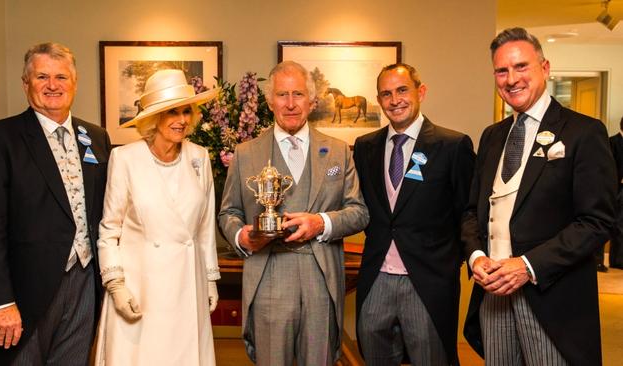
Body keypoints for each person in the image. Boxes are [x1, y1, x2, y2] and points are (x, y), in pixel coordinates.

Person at [461, 27, 616, 366]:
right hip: (493, 296)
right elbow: (472, 210)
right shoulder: (492, 136)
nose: (511, 78)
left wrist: (527, 266)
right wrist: (475, 257)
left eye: (521, 67)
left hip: (550, 298)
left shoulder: (583, 132)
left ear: (544, 69)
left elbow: (596, 222)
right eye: (502, 71)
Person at [218, 61, 368, 366]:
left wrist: (320, 223)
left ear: (312, 101)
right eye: (282, 94)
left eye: (298, 94)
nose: (289, 104)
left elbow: (359, 212)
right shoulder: (245, 154)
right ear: (270, 100)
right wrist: (241, 235)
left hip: (321, 277)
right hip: (268, 275)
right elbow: (228, 213)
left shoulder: (338, 151)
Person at [0, 42, 112, 365]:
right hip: (23, 293)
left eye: (62, 77)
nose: (53, 85)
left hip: (85, 281)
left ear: (74, 84)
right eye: (42, 77)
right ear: (26, 84)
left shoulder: (96, 137)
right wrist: (0, 302)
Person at [94, 69, 220, 365]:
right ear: (153, 118)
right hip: (140, 290)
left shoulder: (199, 157)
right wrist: (116, 285)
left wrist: (210, 278)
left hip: (187, 286)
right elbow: (110, 229)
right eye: (172, 112)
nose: (183, 120)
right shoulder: (125, 158)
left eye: (187, 111)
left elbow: (204, 228)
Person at [353, 63, 475, 366]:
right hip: (376, 278)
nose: (395, 100)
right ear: (379, 100)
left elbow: (468, 212)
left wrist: (450, 263)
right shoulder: (365, 147)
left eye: (402, 90)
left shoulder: (452, 145)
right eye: (386, 94)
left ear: (421, 91)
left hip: (428, 281)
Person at [606, 117, 623, 269]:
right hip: (617, 190)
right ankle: (616, 260)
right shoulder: (613, 141)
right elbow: (610, 167)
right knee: (617, 225)